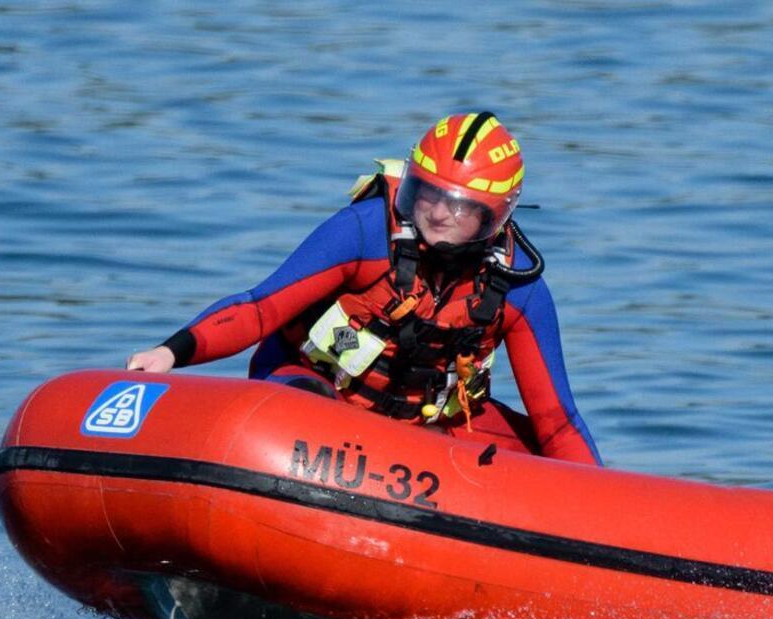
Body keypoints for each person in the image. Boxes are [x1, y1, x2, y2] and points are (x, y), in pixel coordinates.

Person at [126, 113, 600, 464]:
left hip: (425, 427)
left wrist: (604, 508)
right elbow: (258, 309)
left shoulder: (518, 287)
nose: (436, 214)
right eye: (428, 194)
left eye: (457, 207)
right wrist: (170, 353)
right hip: (312, 389)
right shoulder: (365, 231)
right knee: (306, 414)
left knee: (541, 455)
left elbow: (557, 420)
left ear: (493, 218)